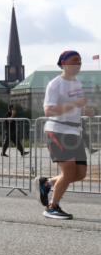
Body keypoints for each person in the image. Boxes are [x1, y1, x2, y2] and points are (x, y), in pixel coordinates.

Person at [38, 50, 91, 220]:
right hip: (58, 130)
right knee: (68, 173)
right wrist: (74, 103)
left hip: (75, 131)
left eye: (80, 61)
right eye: (74, 61)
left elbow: (80, 106)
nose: (78, 64)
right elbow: (48, 111)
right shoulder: (55, 84)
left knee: (80, 174)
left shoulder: (77, 84)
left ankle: (47, 183)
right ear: (63, 64)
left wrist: (86, 109)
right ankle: (52, 207)